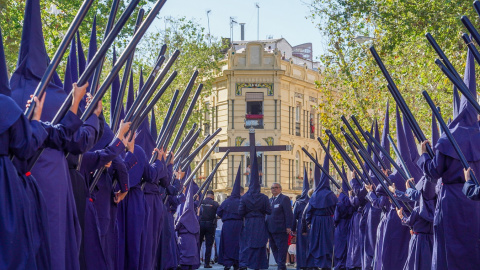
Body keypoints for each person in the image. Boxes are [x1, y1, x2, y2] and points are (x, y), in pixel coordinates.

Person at [417, 48, 480, 270]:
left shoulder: (448, 138)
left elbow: (434, 172)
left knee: (449, 253)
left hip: (453, 201)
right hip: (476, 203)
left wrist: (423, 155)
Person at [304, 143, 337, 270]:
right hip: (328, 221)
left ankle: (316, 264)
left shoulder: (315, 194)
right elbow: (336, 208)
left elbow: (309, 210)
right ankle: (326, 264)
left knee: (317, 242)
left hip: (316, 221)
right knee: (327, 243)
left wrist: (308, 222)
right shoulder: (330, 194)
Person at [239, 153, 272, 270]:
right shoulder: (264, 197)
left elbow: (240, 212)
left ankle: (247, 263)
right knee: (260, 244)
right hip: (260, 222)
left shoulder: (244, 198)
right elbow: (269, 211)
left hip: (248, 222)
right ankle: (259, 265)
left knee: (248, 243)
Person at [217, 165, 244, 270]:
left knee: (227, 244)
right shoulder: (242, 201)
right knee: (238, 244)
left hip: (227, 225)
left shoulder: (226, 201)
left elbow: (219, 211)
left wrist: (225, 217)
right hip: (239, 225)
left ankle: (227, 263)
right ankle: (237, 263)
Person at [266, 182, 294, 270]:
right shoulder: (270, 200)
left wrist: (289, 227)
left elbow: (288, 213)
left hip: (281, 229)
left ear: (280, 189)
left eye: (275, 187)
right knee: (273, 248)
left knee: (282, 249)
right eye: (272, 188)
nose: (273, 189)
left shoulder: (284, 198)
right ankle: (280, 264)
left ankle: (281, 266)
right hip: (270, 229)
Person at [292, 168, 312, 270]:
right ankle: (310, 264)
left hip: (301, 225)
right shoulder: (313, 201)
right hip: (311, 225)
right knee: (310, 244)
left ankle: (301, 264)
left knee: (301, 246)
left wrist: (292, 229)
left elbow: (294, 216)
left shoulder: (299, 202)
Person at [199, 190, 220, 268]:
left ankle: (195, 261)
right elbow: (219, 213)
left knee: (198, 243)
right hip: (210, 225)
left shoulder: (201, 202)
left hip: (200, 224)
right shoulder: (215, 204)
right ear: (213, 196)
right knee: (209, 244)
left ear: (206, 195)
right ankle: (206, 263)